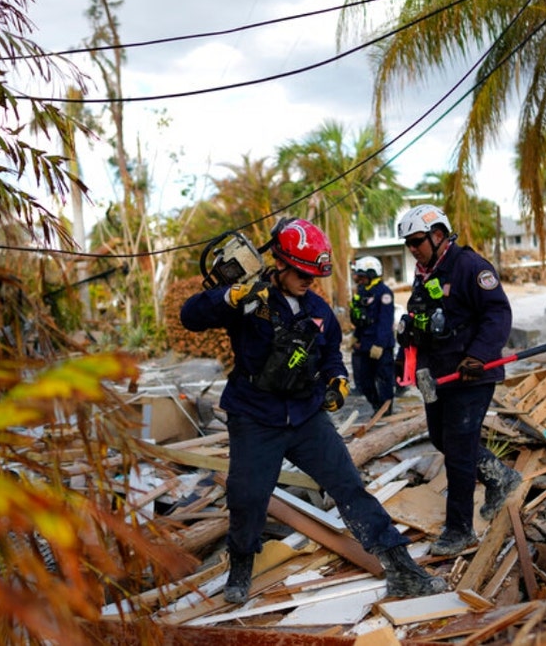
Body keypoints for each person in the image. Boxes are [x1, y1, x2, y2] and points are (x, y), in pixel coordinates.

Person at [180, 218, 446, 603]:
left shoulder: (318, 308)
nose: (309, 281)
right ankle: (240, 571)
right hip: (255, 415)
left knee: (350, 488)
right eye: (303, 273)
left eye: (314, 275)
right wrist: (226, 297)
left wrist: (337, 381)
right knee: (247, 497)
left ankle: (402, 568)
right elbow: (190, 317)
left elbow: (331, 358)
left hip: (305, 417)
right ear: (281, 264)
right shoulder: (247, 301)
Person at [395, 204, 521, 556]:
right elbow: (419, 321)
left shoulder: (470, 267)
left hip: (472, 374)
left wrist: (478, 355)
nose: (412, 248)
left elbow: (497, 313)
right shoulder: (425, 274)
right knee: (441, 438)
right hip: (440, 376)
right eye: (408, 243)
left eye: (417, 240)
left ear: (438, 234)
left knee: (460, 450)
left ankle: (459, 529)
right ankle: (499, 476)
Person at [349, 256, 395, 416]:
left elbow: (385, 322)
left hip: (380, 346)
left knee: (384, 379)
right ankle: (376, 406)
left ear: (371, 274)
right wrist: (356, 337)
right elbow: (361, 319)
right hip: (365, 344)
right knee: (364, 381)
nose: (359, 279)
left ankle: (386, 409)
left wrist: (380, 345)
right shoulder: (362, 292)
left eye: (362, 276)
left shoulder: (384, 293)